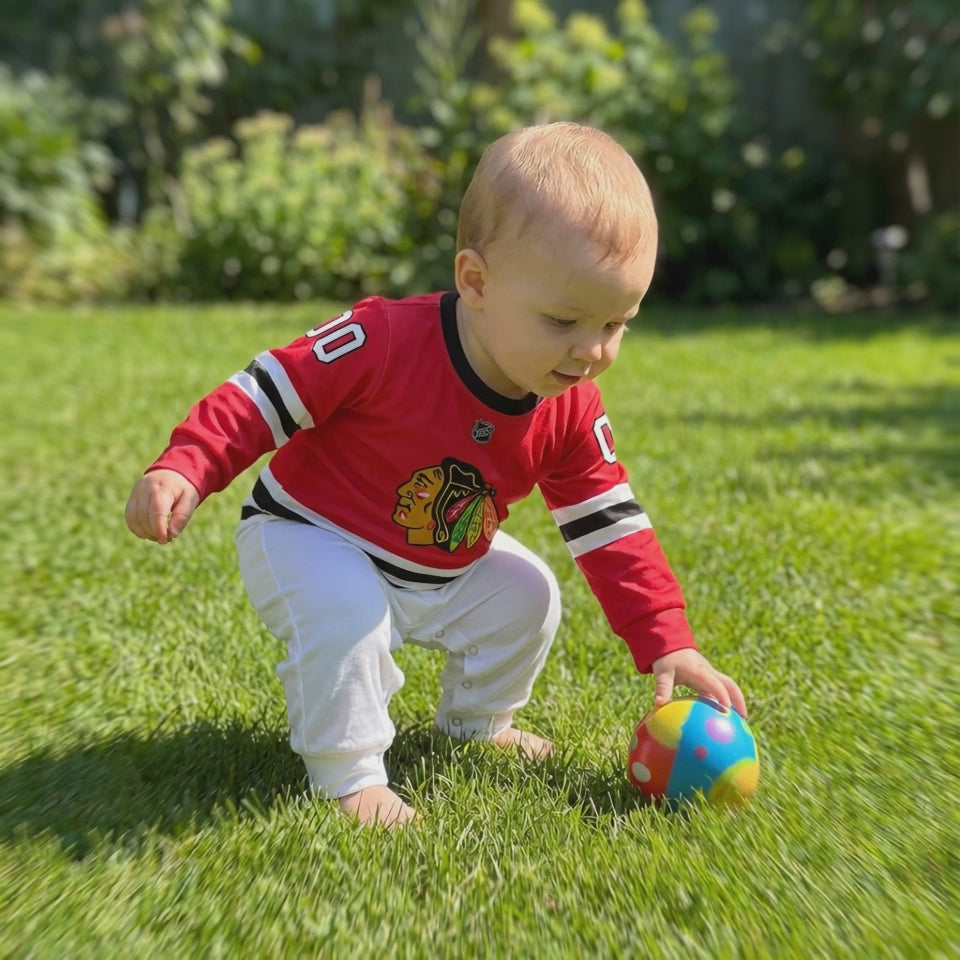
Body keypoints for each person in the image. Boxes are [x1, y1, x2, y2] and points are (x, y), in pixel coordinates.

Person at [125, 121, 747, 827]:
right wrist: (188, 464)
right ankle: (347, 776)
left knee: (528, 594)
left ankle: (477, 723)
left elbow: (611, 527)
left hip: (439, 561)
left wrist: (669, 638)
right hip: (311, 532)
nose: (592, 349)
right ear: (475, 281)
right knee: (346, 612)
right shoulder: (385, 340)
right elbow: (268, 391)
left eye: (617, 323)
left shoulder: (569, 406)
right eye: (564, 320)